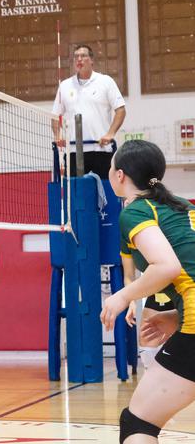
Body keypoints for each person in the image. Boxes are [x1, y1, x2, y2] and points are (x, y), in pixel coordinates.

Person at [100, 140, 195, 444]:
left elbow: (167, 266)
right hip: (187, 316)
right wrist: (174, 316)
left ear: (120, 175)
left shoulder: (137, 211)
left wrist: (122, 296)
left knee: (137, 422)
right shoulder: (184, 207)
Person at [52, 44, 126, 179]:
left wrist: (110, 134)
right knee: (76, 195)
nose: (79, 59)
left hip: (101, 149)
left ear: (91, 60)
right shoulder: (65, 86)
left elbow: (120, 110)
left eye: (83, 56)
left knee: (106, 194)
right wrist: (57, 136)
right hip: (74, 151)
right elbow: (55, 116)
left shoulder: (105, 81)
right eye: (76, 57)